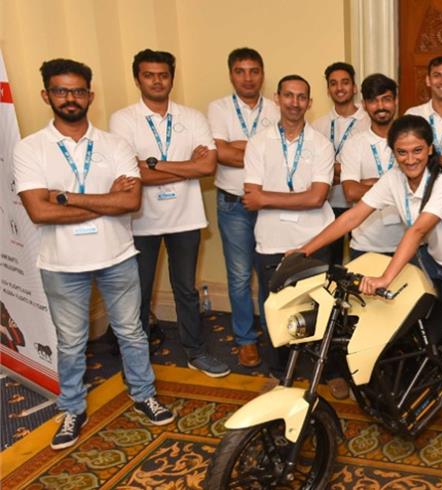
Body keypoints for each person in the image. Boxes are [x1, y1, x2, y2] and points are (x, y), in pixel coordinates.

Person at [297, 115, 442, 462]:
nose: (410, 159)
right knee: (418, 334)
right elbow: (352, 216)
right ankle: (424, 392)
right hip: (433, 262)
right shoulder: (393, 179)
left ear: (430, 148)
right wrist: (305, 250)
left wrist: (385, 279)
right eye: (402, 152)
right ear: (393, 152)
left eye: (417, 150)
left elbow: (417, 230)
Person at [14, 59, 174, 450]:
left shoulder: (114, 144)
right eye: (61, 90)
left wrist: (66, 196)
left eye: (77, 90)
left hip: (117, 255)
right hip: (61, 264)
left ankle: (143, 394)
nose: (70, 98)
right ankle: (71, 408)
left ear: (90, 95)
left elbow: (131, 202)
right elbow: (39, 211)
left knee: (132, 333)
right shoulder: (31, 148)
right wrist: (106, 201)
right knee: (70, 342)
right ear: (46, 95)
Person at [110, 49, 229, 378]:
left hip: (186, 218)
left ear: (171, 79)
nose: (157, 80)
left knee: (186, 289)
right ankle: (138, 360)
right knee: (140, 291)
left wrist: (152, 164)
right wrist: (186, 168)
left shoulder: (192, 117)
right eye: (149, 75)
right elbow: (131, 174)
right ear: (138, 79)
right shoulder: (123, 119)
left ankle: (195, 351)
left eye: (162, 75)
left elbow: (207, 165)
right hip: (141, 221)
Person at [242, 75, 338, 390]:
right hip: (270, 240)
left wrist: (267, 198)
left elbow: (317, 198)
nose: (294, 103)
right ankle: (278, 373)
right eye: (288, 95)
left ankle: (322, 372)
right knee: (275, 308)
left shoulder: (322, 144)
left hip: (313, 240)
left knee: (318, 306)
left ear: (309, 103)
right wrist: (292, 199)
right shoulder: (258, 143)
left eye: (301, 97)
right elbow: (250, 196)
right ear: (277, 98)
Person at [207, 48, 280, 368]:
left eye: (254, 71)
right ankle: (246, 340)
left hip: (269, 205)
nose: (248, 78)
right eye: (240, 71)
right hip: (233, 203)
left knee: (271, 274)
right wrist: (257, 150)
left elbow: (279, 155)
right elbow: (219, 153)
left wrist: (239, 147)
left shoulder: (277, 109)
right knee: (238, 276)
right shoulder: (218, 109)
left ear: (262, 74)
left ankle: (274, 332)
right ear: (230, 74)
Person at [339, 74, 405, 259]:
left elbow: (420, 187)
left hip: (408, 243)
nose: (381, 106)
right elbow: (351, 191)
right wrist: (399, 185)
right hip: (365, 245)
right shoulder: (354, 144)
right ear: (364, 105)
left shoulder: (409, 140)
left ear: (396, 101)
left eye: (386, 99)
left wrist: (369, 185)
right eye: (373, 101)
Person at [311, 62, 370, 264]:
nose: (340, 88)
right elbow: (313, 169)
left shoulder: (369, 121)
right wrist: (349, 174)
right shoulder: (318, 125)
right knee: (329, 265)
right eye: (333, 83)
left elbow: (368, 168)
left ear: (354, 87)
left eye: (345, 82)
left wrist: (333, 172)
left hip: (362, 204)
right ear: (328, 90)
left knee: (361, 263)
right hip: (328, 205)